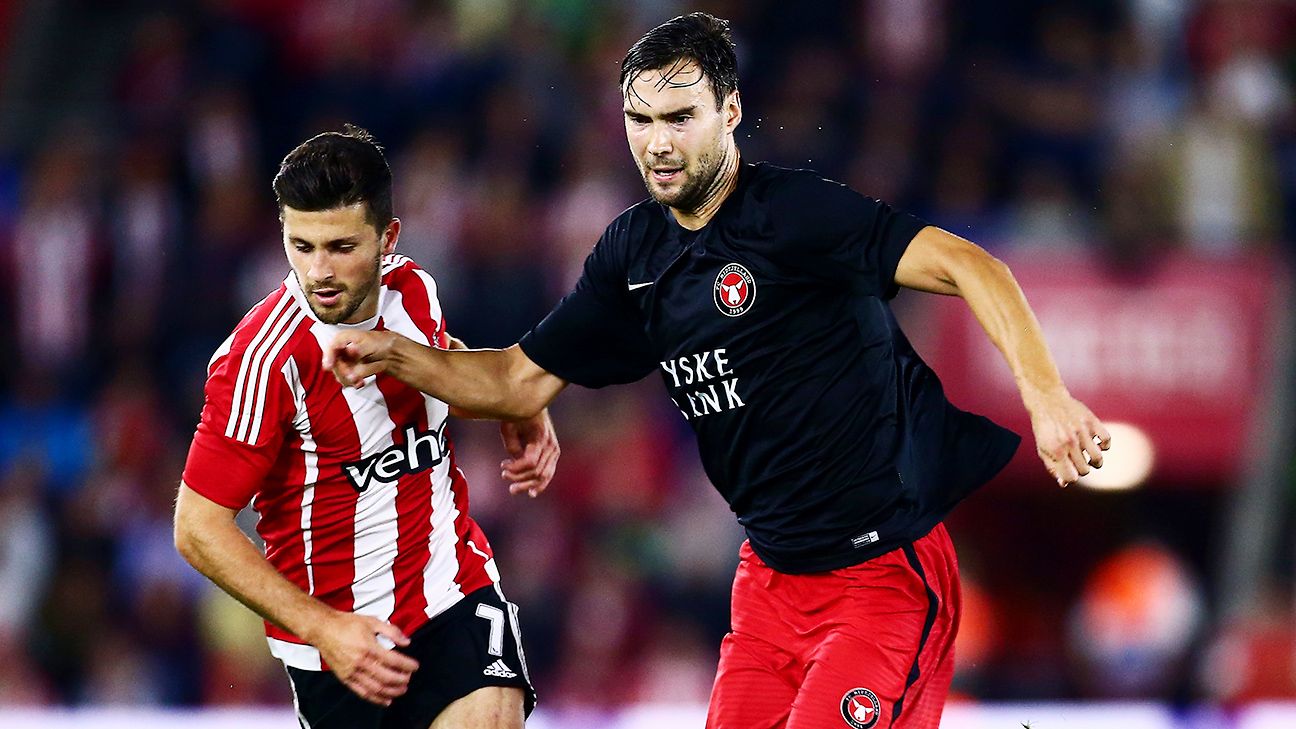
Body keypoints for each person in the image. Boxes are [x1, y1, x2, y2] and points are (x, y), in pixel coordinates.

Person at [323, 13, 1110, 729]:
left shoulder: (794, 216)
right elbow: (515, 381)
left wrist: (1047, 398)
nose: (658, 142)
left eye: (679, 117)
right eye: (640, 120)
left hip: (881, 575)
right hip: (768, 587)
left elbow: (974, 265)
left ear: (730, 112)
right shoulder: (633, 253)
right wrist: (393, 352)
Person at [174, 126, 554, 729]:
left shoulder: (414, 290)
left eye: (341, 247)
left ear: (388, 238)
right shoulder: (262, 361)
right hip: (340, 647)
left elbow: (442, 361)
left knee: (492, 715)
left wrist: (511, 404)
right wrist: (324, 628)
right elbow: (197, 527)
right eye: (301, 246)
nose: (319, 271)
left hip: (451, 589)